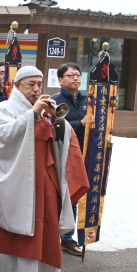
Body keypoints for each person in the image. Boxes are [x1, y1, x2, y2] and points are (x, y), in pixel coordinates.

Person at [0, 66, 89, 272]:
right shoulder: (2, 109)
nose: (37, 89)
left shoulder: (45, 110)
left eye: (39, 84)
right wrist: (31, 115)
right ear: (16, 85)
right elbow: (1, 137)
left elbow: (64, 140)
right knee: (7, 239)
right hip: (13, 186)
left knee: (33, 239)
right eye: (31, 84)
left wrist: (58, 122)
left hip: (42, 184)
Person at [51, 62, 88, 257]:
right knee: (61, 194)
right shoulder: (55, 101)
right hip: (63, 154)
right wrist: (80, 123)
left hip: (85, 153)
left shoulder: (88, 101)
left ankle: (68, 237)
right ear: (60, 80)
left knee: (77, 193)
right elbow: (55, 126)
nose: (75, 78)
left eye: (78, 75)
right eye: (70, 75)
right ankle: (56, 235)